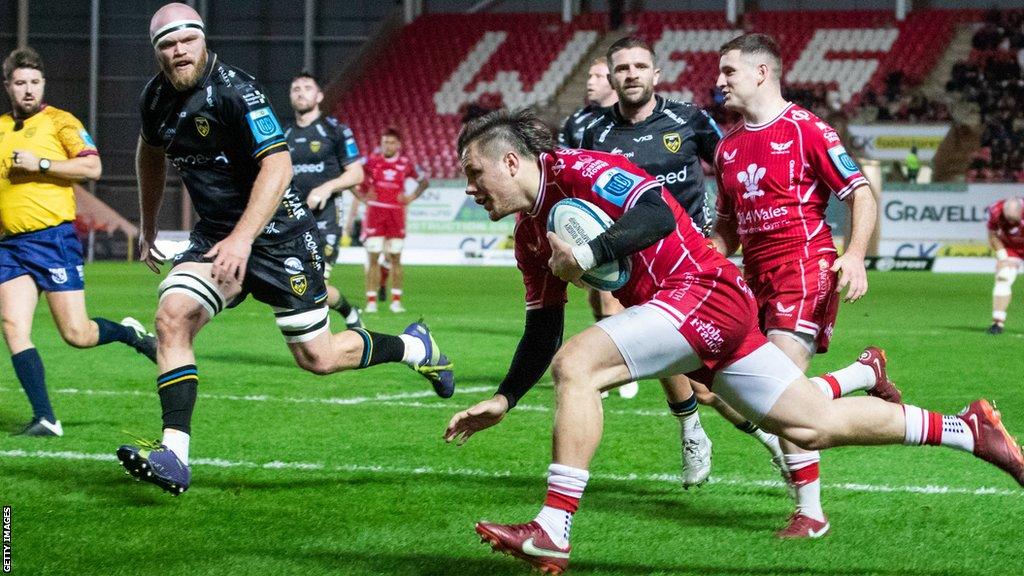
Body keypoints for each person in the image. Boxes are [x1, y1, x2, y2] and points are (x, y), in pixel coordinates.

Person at [446, 108, 1023, 575]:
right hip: (691, 311)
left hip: (703, 289)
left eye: (474, 173)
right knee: (809, 424)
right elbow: (542, 324)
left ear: (512, 160)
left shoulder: (581, 168)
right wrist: (504, 398)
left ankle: (553, 527)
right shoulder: (529, 236)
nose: (470, 188)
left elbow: (656, 215)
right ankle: (967, 432)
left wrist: (591, 254)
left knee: (578, 365)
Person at [117, 3, 454, 496]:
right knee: (172, 317)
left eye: (186, 40)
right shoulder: (155, 98)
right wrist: (147, 226)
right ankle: (175, 455)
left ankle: (413, 346)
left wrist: (243, 238)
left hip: (279, 238)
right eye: (167, 44)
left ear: (202, 40)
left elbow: (278, 168)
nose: (178, 51)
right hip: (216, 238)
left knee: (317, 358)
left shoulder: (237, 90)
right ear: (157, 53)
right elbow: (148, 153)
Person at [711, 33, 905, 537]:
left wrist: (855, 255)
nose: (718, 81)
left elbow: (859, 192)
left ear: (761, 73)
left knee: (779, 389)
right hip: (754, 278)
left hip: (804, 266)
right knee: (738, 396)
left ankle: (811, 513)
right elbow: (728, 227)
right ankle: (861, 375)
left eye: (728, 71)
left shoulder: (806, 130)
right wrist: (706, 263)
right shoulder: (728, 147)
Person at [581, 36, 786, 485]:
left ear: (655, 74)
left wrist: (727, 232)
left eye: (640, 66)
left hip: (697, 265)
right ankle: (713, 432)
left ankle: (761, 433)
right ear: (613, 78)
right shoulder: (595, 133)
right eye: (622, 68)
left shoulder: (689, 120)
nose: (631, 74)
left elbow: (731, 165)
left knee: (716, 373)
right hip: (639, 268)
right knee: (679, 367)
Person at [0, 47, 157, 437]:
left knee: (77, 334)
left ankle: (129, 333)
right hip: (10, 246)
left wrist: (43, 164)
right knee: (12, 325)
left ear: (43, 85)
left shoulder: (60, 122)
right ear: (8, 87)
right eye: (21, 83)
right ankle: (45, 418)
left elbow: (93, 166)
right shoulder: (1, 128)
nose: (29, 89)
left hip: (52, 240)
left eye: (35, 82)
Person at [560, 56, 638, 400]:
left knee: (611, 298)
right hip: (590, 217)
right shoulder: (578, 122)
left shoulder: (630, 119)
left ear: (613, 81)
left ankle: (618, 368)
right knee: (597, 294)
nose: (589, 81)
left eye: (596, 75)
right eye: (588, 74)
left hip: (622, 220)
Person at [285, 71, 363, 329]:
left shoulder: (335, 130)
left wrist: (327, 187)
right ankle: (350, 313)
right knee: (302, 284)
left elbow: (356, 173)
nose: (300, 91)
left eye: (307, 87)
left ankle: (322, 342)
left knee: (315, 284)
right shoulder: (283, 136)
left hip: (326, 220)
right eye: (295, 88)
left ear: (318, 96)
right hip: (294, 221)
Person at [360, 127, 428, 313]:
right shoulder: (371, 161)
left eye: (391, 142)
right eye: (384, 142)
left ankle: (396, 301)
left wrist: (410, 197)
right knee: (373, 257)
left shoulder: (406, 164)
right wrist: (363, 195)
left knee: (396, 258)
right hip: (375, 213)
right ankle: (371, 301)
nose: (387, 146)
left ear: (398, 145)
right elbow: (355, 175)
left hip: (396, 215)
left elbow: (424, 181)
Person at [986, 197, 1023, 335]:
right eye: (1008, 219)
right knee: (1003, 277)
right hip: (1011, 247)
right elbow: (993, 235)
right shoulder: (994, 210)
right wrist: (1003, 258)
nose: (1011, 224)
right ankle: (997, 322)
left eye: (1015, 220)